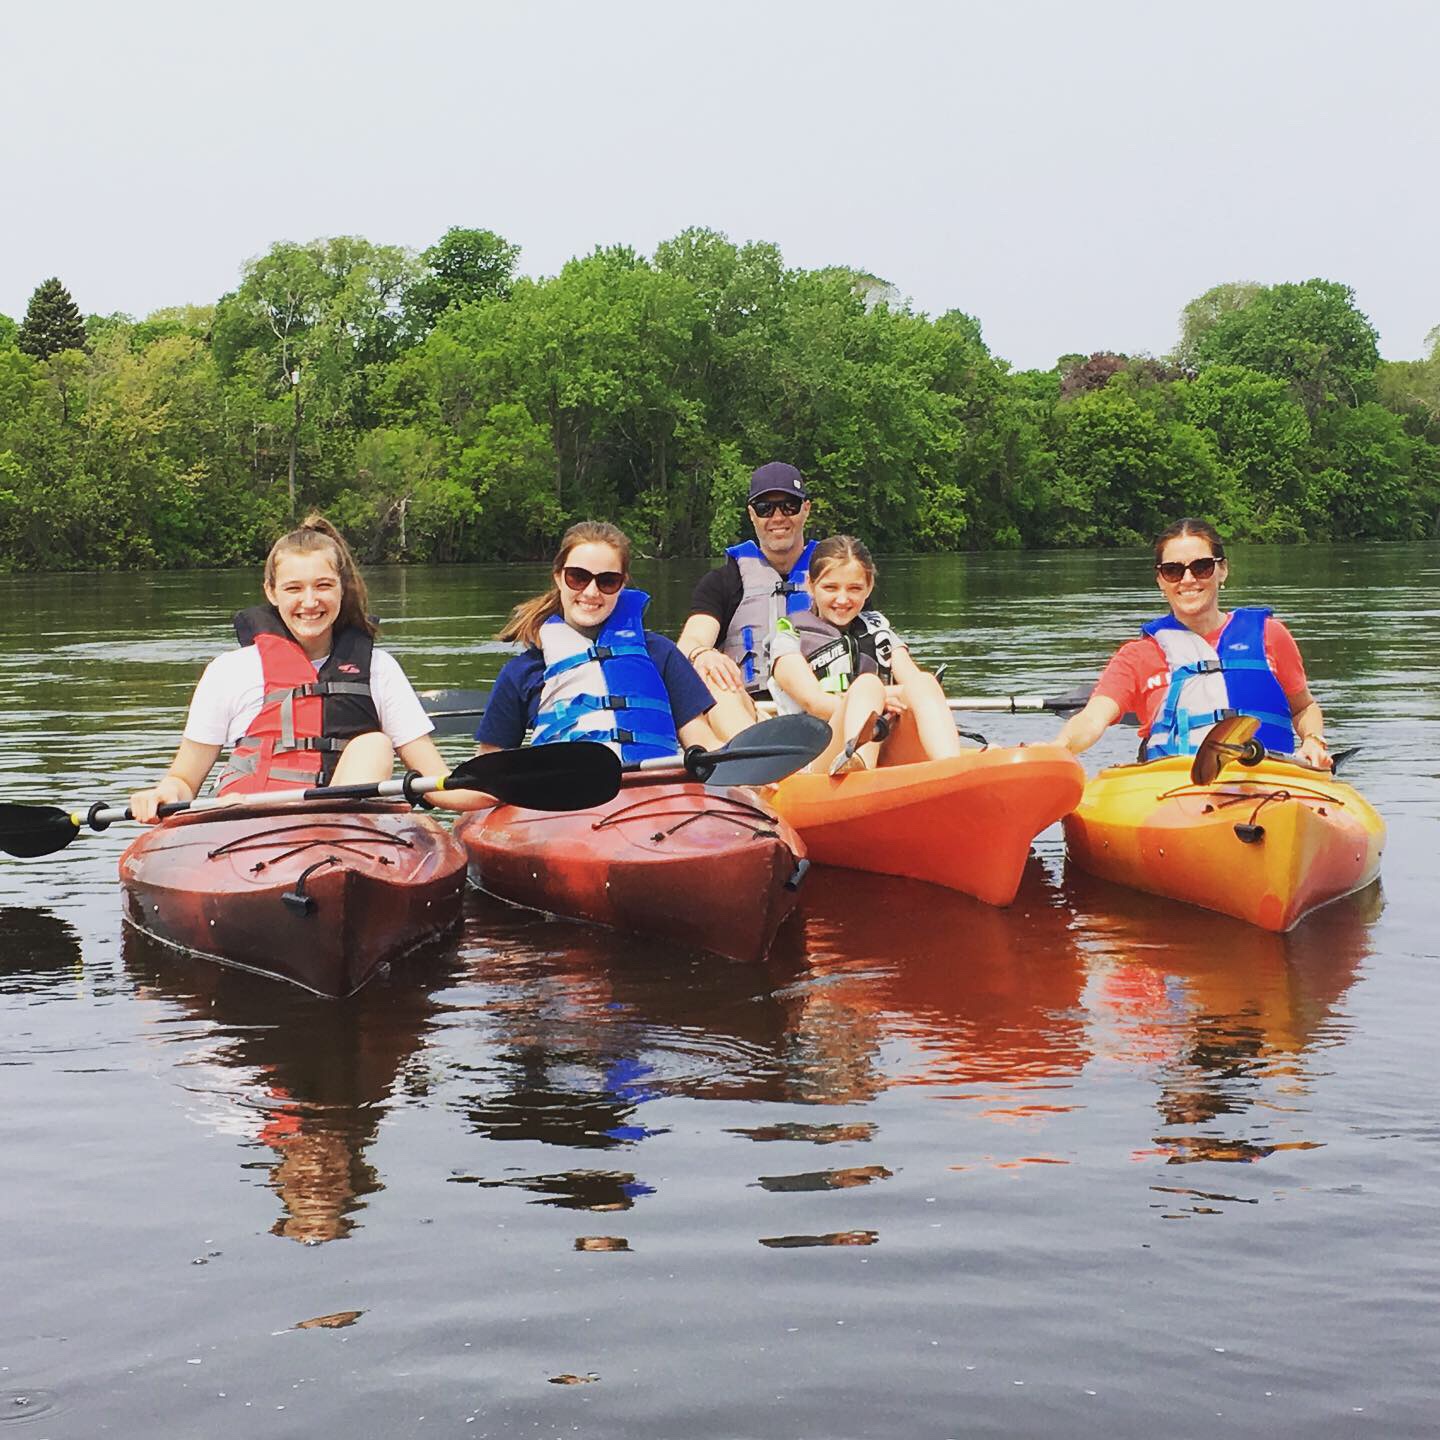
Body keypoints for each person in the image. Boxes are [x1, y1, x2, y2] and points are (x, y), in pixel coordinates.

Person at [130, 513, 478, 822]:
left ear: (343, 588)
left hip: (343, 834)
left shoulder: (379, 669)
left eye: (323, 586)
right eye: (293, 589)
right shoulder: (229, 671)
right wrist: (162, 794)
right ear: (271, 591)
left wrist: (507, 791)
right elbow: (185, 781)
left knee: (374, 745)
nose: (310, 602)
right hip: (246, 824)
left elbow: (438, 785)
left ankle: (332, 844)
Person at [1055, 517, 1331, 768]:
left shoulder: (1271, 635)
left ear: (1222, 570)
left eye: (1201, 567)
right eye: (1173, 570)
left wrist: (1313, 740)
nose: (1188, 580)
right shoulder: (1137, 656)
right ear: (1160, 581)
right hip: (1177, 793)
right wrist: (1059, 748)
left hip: (1271, 783)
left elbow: (1303, 707)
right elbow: (1092, 718)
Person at [476, 520, 722, 758]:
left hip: (653, 792)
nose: (591, 592)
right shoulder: (522, 672)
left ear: (622, 584)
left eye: (607, 581)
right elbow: (484, 779)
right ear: (559, 577)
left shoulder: (661, 654)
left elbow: (703, 744)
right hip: (569, 795)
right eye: (578, 577)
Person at [768, 535, 961, 773]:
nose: (842, 599)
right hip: (817, 756)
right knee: (868, 684)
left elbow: (914, 686)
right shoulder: (789, 637)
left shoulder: (879, 632)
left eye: (854, 589)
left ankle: (953, 765)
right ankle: (858, 764)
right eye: (830, 587)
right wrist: (878, 695)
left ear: (868, 587)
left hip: (886, 745)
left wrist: (895, 694)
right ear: (810, 584)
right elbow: (814, 702)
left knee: (925, 682)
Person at [675, 460, 816, 740]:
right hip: (749, 707)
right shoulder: (724, 581)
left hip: (820, 705)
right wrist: (702, 653)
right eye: (765, 509)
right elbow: (690, 642)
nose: (778, 517)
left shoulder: (834, 579)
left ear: (806, 510)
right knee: (707, 674)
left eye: (789, 506)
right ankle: (754, 760)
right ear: (752, 515)